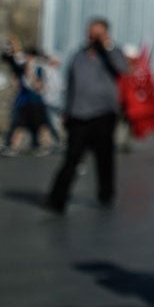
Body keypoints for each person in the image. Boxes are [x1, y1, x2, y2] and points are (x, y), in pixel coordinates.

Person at [46, 18, 124, 211]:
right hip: (78, 115)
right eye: (90, 32)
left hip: (103, 114)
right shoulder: (78, 55)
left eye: (97, 33)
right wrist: (67, 111)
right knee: (72, 158)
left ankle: (106, 195)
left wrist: (107, 46)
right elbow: (71, 84)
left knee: (104, 159)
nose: (93, 37)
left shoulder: (112, 54)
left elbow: (123, 69)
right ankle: (57, 199)